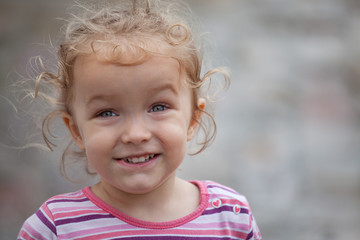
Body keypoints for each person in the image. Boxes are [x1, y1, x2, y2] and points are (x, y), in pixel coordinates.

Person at [17, 0, 262, 239]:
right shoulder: (54, 227)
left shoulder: (230, 216)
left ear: (193, 120)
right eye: (107, 113)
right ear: (77, 131)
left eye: (158, 107)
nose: (136, 134)